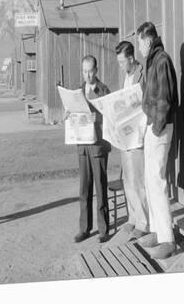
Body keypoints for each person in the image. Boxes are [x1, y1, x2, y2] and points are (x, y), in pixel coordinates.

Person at [136, 22, 178, 259]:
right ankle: (156, 230)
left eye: (140, 43)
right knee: (150, 181)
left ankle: (167, 240)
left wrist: (156, 127)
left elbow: (165, 99)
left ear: (147, 40)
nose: (139, 48)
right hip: (153, 126)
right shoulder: (153, 60)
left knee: (158, 180)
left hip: (159, 128)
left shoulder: (161, 60)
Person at [74, 55, 111, 243]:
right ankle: (84, 228)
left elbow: (111, 116)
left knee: (100, 187)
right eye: (84, 71)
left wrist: (98, 118)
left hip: (98, 147)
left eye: (90, 71)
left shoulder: (103, 91)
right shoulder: (78, 91)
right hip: (82, 145)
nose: (87, 75)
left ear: (96, 70)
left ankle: (103, 229)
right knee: (84, 189)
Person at [115, 41, 149, 239]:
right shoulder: (126, 77)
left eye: (122, 62)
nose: (120, 66)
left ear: (130, 58)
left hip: (137, 134)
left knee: (138, 180)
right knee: (127, 178)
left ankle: (144, 221)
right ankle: (133, 218)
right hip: (125, 135)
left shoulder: (141, 74)